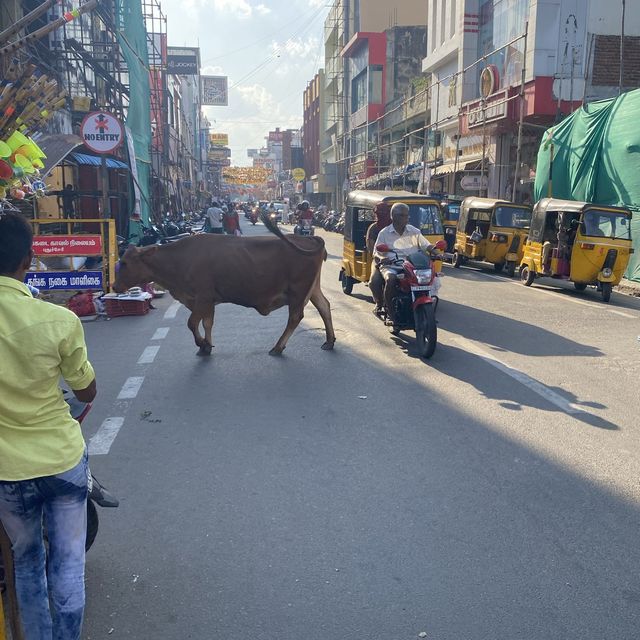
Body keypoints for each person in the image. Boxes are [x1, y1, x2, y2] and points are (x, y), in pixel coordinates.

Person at [0, 211, 97, 640]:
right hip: (60, 460)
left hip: (6, 473)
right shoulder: (59, 320)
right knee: (68, 563)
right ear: (29, 258)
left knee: (25, 562)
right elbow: (86, 389)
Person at [373, 202, 434, 327]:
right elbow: (376, 252)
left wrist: (437, 251)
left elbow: (426, 245)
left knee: (428, 280)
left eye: (407, 215)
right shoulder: (384, 233)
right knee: (390, 279)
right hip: (392, 266)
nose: (406, 218)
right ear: (393, 216)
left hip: (412, 266)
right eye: (402, 215)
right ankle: (390, 313)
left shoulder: (414, 231)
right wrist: (382, 259)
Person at [366, 203, 391, 316]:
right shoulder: (373, 228)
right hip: (379, 259)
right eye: (378, 214)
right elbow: (371, 247)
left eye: (383, 213)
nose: (380, 216)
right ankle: (379, 303)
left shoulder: (397, 227)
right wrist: (377, 258)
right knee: (374, 282)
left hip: (399, 259)